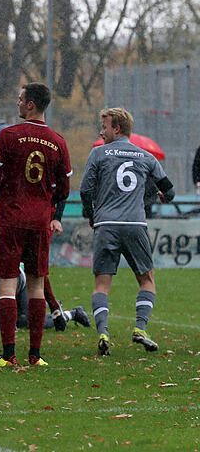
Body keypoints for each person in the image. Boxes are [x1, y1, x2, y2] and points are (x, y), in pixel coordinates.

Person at [0, 82, 72, 368]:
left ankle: (8, 355)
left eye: (20, 99)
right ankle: (35, 356)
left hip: (11, 217)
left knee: (7, 285)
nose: (17, 104)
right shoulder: (59, 141)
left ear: (31, 104)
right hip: (39, 220)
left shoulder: (8, 135)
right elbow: (64, 189)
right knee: (36, 285)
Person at [80, 107, 175, 356]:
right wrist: (163, 197)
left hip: (106, 225)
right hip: (135, 225)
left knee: (101, 285)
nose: (101, 132)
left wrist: (90, 214)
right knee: (147, 280)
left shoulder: (98, 154)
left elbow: (85, 189)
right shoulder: (146, 157)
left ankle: (103, 332)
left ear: (117, 128)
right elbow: (170, 190)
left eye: (104, 127)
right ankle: (140, 328)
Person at [0, 263, 90, 332]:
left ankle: (73, 313)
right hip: (9, 286)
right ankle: (46, 306)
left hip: (20, 282)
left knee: (29, 322)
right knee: (19, 322)